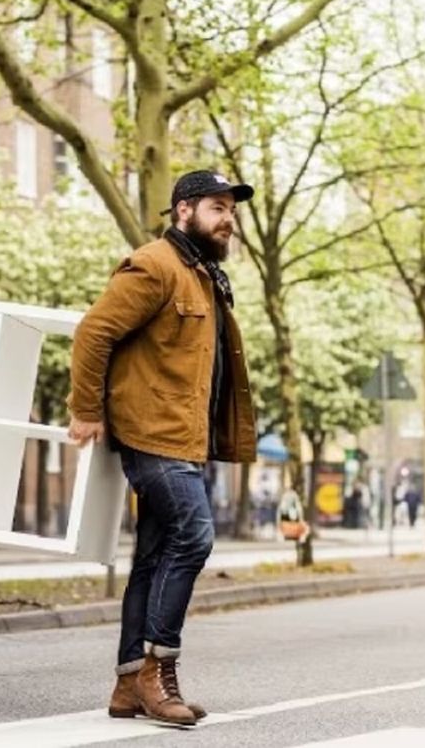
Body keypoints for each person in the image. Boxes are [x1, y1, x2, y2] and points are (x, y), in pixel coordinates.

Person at [68, 170, 257, 726]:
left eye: (232, 211)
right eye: (218, 209)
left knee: (154, 557)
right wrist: (86, 411)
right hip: (154, 435)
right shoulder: (155, 265)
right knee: (194, 537)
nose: (229, 220)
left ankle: (128, 684)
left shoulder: (201, 275)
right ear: (183, 212)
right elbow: (94, 333)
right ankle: (158, 669)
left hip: (184, 437)